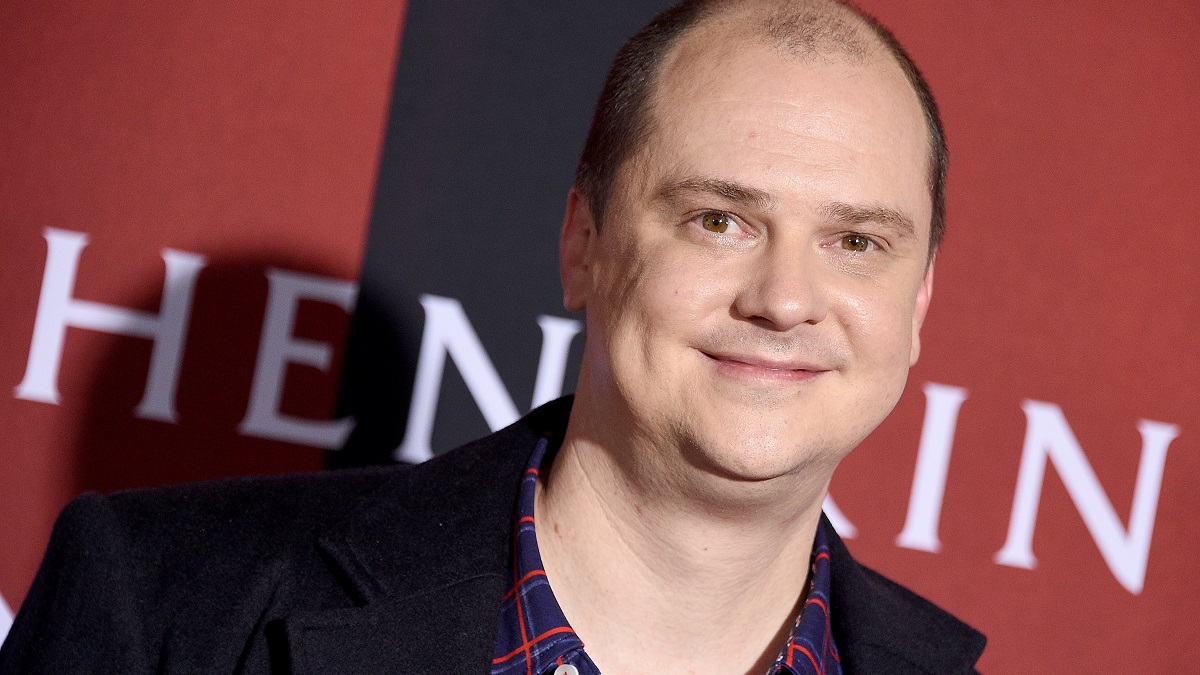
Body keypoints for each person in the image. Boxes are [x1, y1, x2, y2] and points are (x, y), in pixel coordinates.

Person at [0, 0, 985, 673]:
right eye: (719, 220)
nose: (785, 298)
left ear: (921, 304)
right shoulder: (162, 608)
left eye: (857, 242)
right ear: (583, 244)